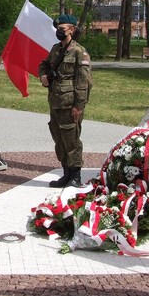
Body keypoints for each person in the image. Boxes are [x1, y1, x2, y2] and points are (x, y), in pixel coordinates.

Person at [38, 14, 93, 188]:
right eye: (58, 29)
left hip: (70, 104)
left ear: (72, 30)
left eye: (62, 29)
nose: (59, 31)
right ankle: (66, 174)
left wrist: (79, 105)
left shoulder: (79, 52)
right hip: (55, 101)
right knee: (59, 138)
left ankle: (75, 176)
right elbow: (43, 65)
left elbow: (84, 82)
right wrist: (43, 76)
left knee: (71, 140)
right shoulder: (56, 49)